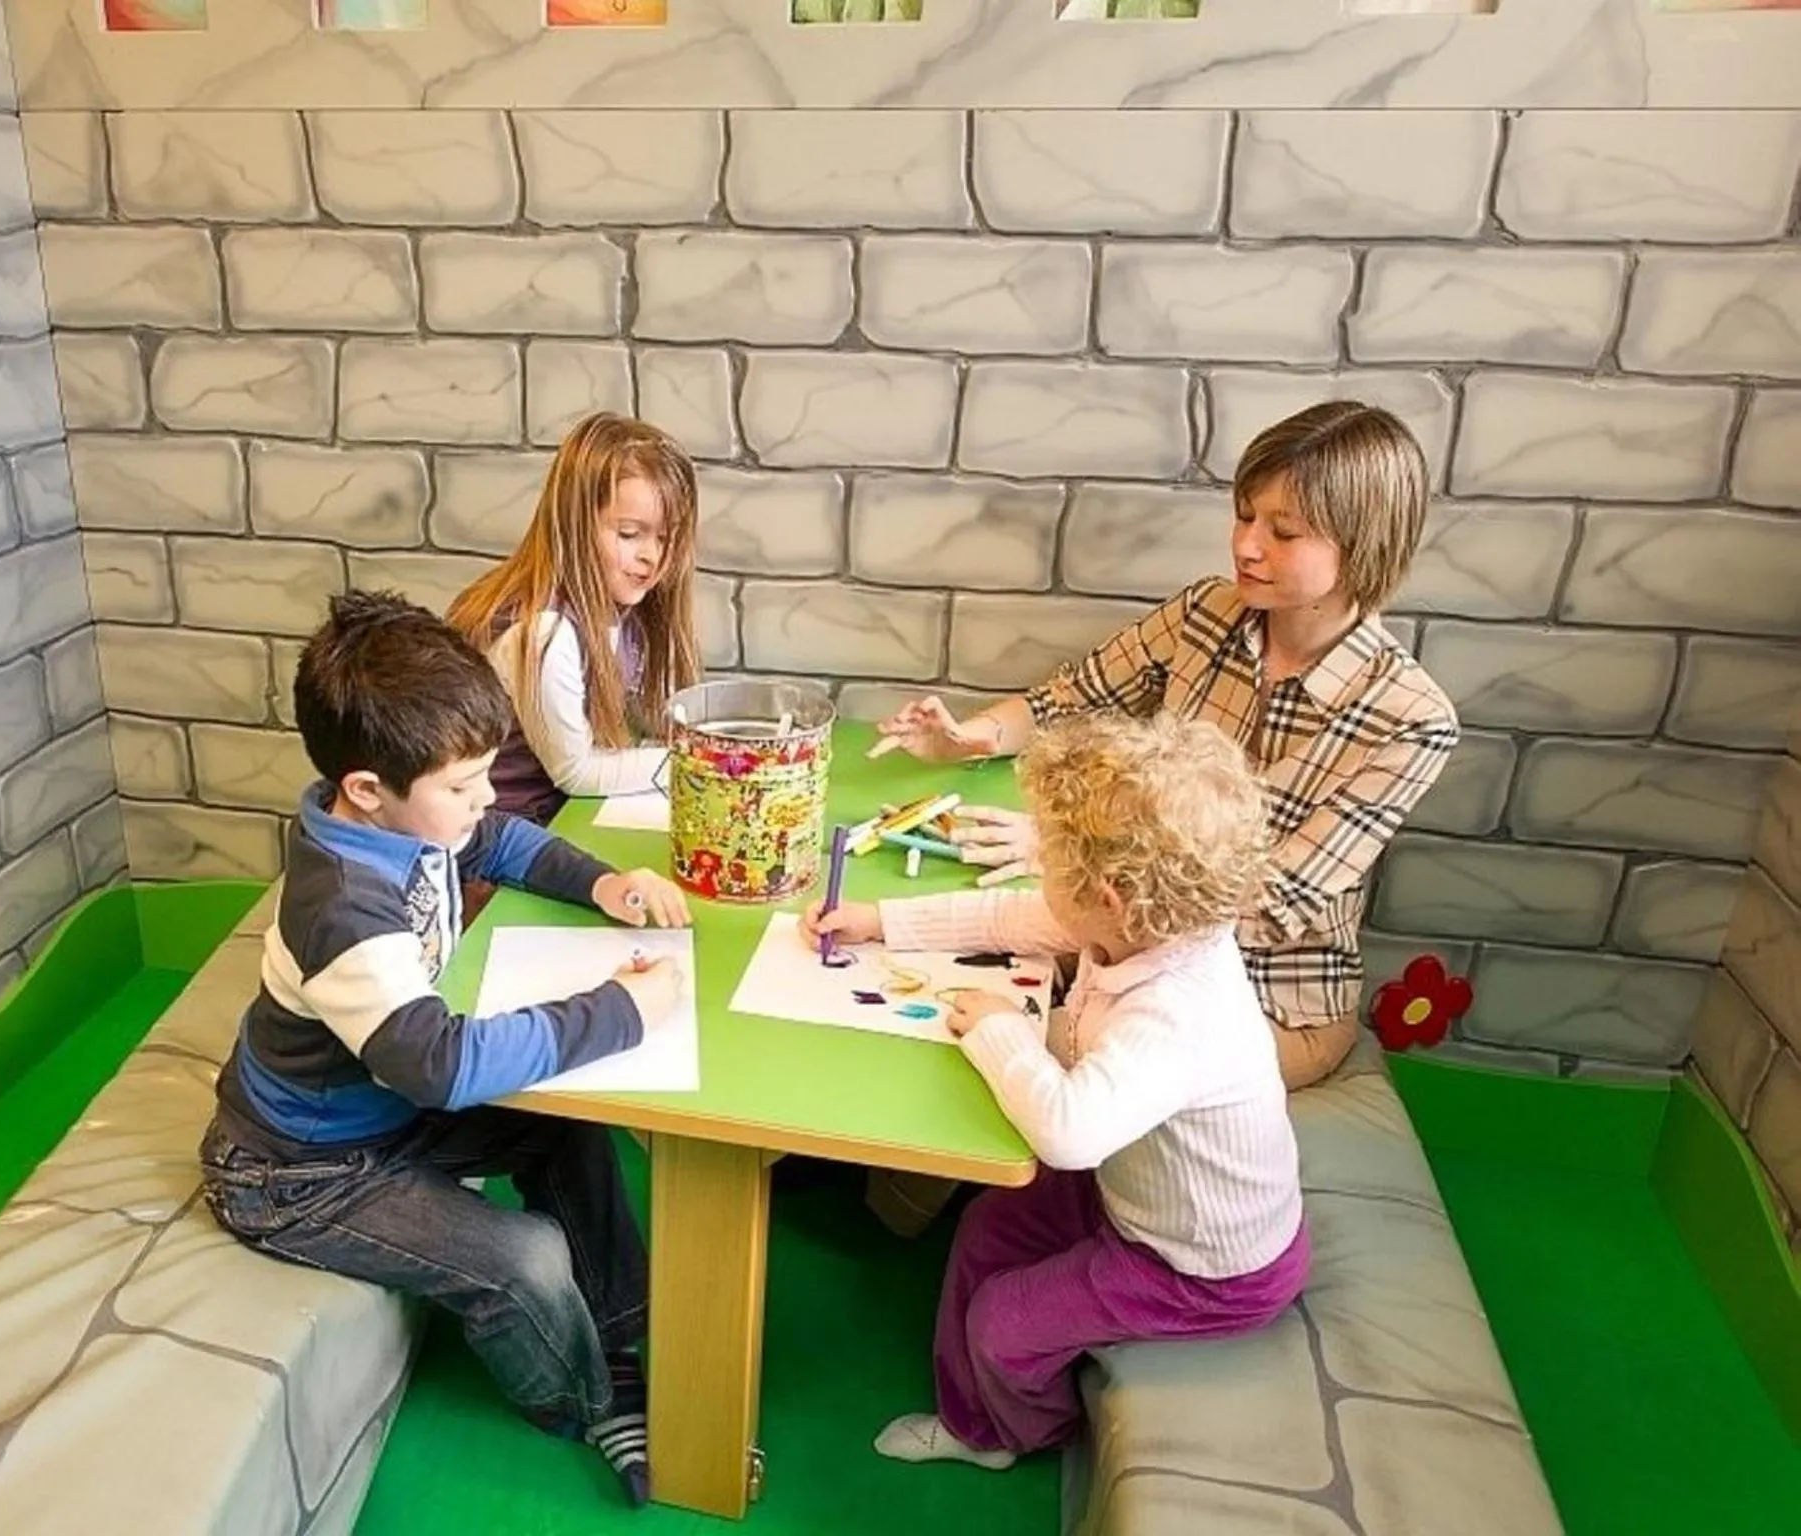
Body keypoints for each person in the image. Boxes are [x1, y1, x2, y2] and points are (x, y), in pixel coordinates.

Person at [198, 591, 691, 1505]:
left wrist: (607, 883)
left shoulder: (403, 820)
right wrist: (620, 1011)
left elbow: (501, 838)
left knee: (566, 1129)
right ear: (366, 791)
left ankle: (616, 1338)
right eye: (462, 787)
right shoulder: (342, 902)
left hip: (387, 1114)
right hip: (299, 1174)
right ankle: (578, 1401)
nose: (483, 801)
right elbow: (441, 1064)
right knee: (527, 1262)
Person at [874, 401, 1459, 1094]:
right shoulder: (1209, 612)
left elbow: (1271, 905)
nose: (1246, 545)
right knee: (939, 982)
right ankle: (862, 1188)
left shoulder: (1411, 719)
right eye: (1244, 515)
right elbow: (1071, 696)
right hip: (1122, 942)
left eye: (1285, 531)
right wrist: (971, 739)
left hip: (1263, 1000)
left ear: (1365, 546)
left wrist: (1066, 850)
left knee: (1006, 1040)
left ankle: (918, 1202)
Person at [804, 713, 1309, 1466]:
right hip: (1134, 1192)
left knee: (1004, 1323)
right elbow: (1014, 916)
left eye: (1049, 861)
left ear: (1107, 893)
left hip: (1203, 1268)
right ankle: (974, 1407)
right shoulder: (1145, 926)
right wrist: (879, 920)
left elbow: (1069, 1134)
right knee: (987, 1228)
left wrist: (1002, 1028)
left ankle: (1015, 1434)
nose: (1039, 878)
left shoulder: (1178, 1008)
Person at [448, 413, 701, 825]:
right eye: (629, 534)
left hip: (557, 824)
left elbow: (642, 719)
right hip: (497, 850)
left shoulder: (619, 606)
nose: (651, 556)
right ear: (575, 524)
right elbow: (577, 772)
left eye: (665, 537)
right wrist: (699, 762)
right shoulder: (545, 632)